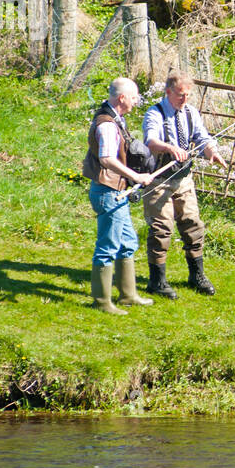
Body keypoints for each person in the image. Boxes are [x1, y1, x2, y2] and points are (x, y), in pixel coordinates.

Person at [141, 70, 226, 298]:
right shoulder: (154, 113)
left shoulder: (190, 112)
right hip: (158, 181)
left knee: (192, 225)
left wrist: (212, 153)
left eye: (188, 95)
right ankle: (157, 282)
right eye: (180, 95)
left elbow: (202, 137)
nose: (184, 99)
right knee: (161, 230)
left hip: (184, 179)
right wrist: (170, 148)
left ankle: (196, 275)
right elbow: (150, 140)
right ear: (168, 92)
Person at [83, 78, 154, 314]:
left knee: (128, 243)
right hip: (107, 192)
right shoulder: (107, 125)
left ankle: (128, 295)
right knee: (107, 246)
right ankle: (102, 302)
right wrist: (136, 175)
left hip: (117, 191)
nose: (136, 101)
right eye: (134, 97)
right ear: (122, 98)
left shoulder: (116, 119)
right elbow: (106, 159)